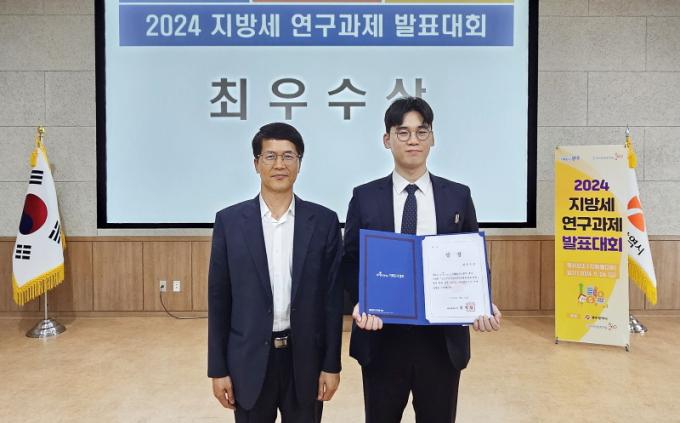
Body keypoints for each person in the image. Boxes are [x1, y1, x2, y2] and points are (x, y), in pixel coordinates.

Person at [341, 97, 502, 423]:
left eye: (421, 131)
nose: (413, 140)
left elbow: (472, 257)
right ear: (387, 139)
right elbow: (350, 260)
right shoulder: (364, 196)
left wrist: (482, 302)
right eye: (403, 132)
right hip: (382, 338)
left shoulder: (458, 196)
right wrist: (360, 302)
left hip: (441, 342)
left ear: (432, 138)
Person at [208, 122, 344, 423]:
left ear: (299, 163)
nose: (279, 165)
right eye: (270, 156)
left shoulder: (323, 222)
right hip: (248, 362)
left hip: (305, 361)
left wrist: (331, 365)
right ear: (256, 164)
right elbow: (219, 301)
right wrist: (218, 369)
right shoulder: (230, 222)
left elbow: (332, 302)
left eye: (288, 156)